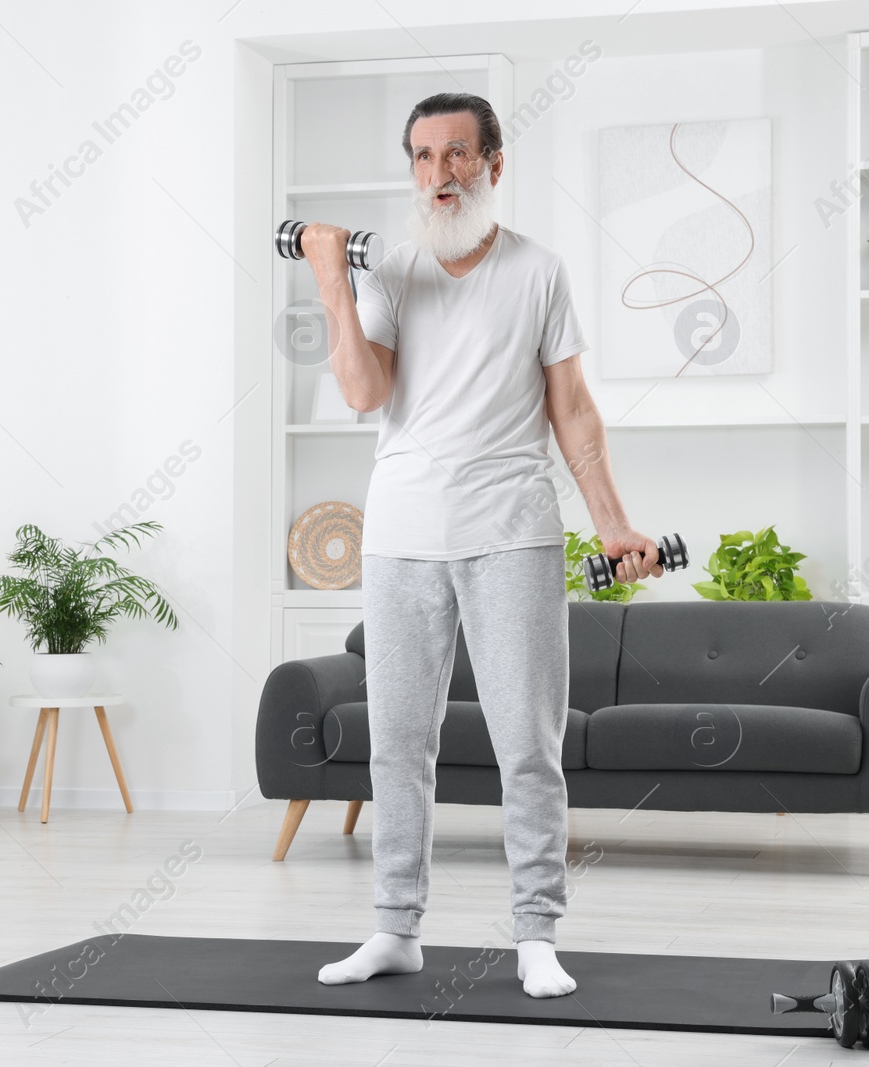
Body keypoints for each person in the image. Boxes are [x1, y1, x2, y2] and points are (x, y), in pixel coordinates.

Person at [299, 92, 660, 999]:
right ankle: (395, 926)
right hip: (401, 535)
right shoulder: (390, 268)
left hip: (512, 531)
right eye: (422, 157)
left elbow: (572, 411)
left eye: (458, 154)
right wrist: (333, 285)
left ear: (494, 164)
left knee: (526, 743)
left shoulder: (539, 271)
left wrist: (614, 524)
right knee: (398, 744)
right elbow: (361, 391)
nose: (439, 173)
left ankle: (536, 934)